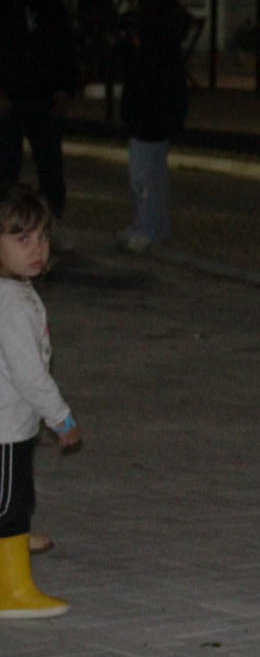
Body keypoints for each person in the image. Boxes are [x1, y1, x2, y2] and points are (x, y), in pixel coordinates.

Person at [0, 185, 83, 619]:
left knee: (14, 499)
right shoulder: (11, 302)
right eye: (22, 239)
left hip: (10, 422)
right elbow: (29, 375)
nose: (37, 248)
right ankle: (12, 589)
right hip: (5, 427)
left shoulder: (14, 290)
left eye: (42, 237)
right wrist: (60, 417)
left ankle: (11, 543)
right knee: (10, 505)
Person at [0, 0, 75, 228]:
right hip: (7, 99)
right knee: (6, 168)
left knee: (50, 166)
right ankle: (7, 225)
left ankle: (51, 222)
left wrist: (64, 89)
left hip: (43, 97)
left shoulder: (47, 3)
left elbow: (64, 48)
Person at [115, 0, 191, 253]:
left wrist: (126, 48)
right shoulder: (167, 29)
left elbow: (140, 71)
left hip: (147, 111)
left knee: (142, 174)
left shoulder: (151, 32)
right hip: (162, 110)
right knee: (155, 173)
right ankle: (154, 227)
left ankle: (146, 228)